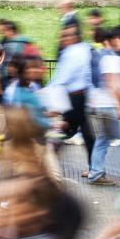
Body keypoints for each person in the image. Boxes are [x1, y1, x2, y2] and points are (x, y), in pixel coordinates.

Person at [47, 24, 95, 173]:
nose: (64, 39)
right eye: (63, 36)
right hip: (75, 97)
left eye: (67, 36)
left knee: (78, 132)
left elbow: (62, 77)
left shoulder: (74, 52)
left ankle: (94, 168)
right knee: (76, 132)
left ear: (75, 37)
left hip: (76, 97)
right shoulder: (81, 50)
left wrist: (48, 93)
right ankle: (95, 168)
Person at [87, 28, 120, 185]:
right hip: (109, 105)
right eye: (119, 39)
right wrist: (119, 108)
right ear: (111, 40)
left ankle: (95, 172)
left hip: (101, 104)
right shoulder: (112, 59)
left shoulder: (102, 56)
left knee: (103, 139)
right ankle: (96, 172)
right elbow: (113, 85)